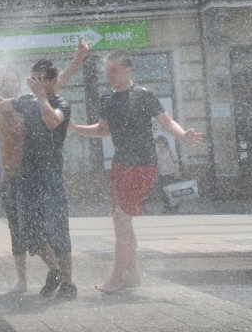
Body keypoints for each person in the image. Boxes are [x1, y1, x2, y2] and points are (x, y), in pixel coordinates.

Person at [0, 27, 87, 294]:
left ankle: (64, 279)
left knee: (54, 230)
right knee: (25, 233)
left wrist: (77, 60)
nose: (18, 83)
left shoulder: (42, 101)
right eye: (9, 80)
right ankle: (44, 274)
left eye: (17, 79)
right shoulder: (13, 105)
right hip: (17, 177)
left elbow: (56, 87)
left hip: (43, 176)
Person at [68, 51, 203, 294]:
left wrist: (183, 136)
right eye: (107, 70)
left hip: (142, 164)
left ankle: (118, 277)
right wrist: (76, 128)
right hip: (120, 164)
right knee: (122, 222)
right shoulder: (107, 99)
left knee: (121, 219)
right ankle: (133, 276)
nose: (109, 75)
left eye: (114, 70)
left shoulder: (144, 95)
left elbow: (166, 122)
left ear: (128, 69)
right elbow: (102, 130)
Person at [154, 135, 181, 214]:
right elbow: (158, 165)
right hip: (161, 175)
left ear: (164, 143)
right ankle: (167, 207)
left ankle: (175, 207)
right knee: (163, 193)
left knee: (172, 191)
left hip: (170, 174)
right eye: (158, 144)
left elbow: (176, 161)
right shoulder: (158, 153)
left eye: (160, 143)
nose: (159, 145)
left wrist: (177, 171)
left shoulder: (170, 151)